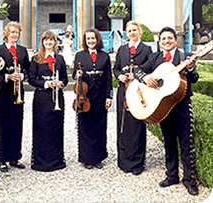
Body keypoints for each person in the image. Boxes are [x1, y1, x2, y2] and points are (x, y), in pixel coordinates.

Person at [134, 26, 199, 195]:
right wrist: (146, 77)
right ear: (160, 42)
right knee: (169, 142)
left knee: (186, 143)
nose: (167, 41)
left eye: (170, 38)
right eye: (163, 39)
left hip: (182, 105)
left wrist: (191, 68)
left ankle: (189, 180)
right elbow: (137, 70)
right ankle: (171, 175)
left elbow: (194, 78)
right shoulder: (155, 58)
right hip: (163, 107)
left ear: (175, 40)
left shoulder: (184, 57)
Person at [113, 21, 152, 175]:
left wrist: (137, 77)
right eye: (129, 31)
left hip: (139, 93)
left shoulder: (147, 49)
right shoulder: (122, 49)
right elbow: (115, 69)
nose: (132, 33)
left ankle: (137, 163)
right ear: (126, 33)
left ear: (139, 31)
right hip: (123, 92)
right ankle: (123, 162)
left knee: (137, 126)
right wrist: (120, 76)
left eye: (134, 30)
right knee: (122, 126)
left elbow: (151, 70)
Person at [0, 21, 30, 173]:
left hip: (18, 92)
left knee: (16, 124)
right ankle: (2, 158)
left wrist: (21, 75)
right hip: (3, 91)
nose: (15, 35)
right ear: (6, 34)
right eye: (12, 32)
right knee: (2, 125)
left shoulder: (22, 50)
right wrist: (8, 76)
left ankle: (15, 156)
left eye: (17, 32)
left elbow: (28, 70)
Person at [72, 28, 113, 169]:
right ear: (85, 41)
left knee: (100, 127)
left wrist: (109, 97)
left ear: (98, 40)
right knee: (85, 127)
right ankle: (86, 158)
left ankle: (98, 158)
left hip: (100, 96)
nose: (91, 41)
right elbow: (73, 75)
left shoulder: (104, 56)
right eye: (88, 39)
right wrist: (78, 74)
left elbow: (108, 78)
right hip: (85, 96)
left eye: (93, 38)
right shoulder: (79, 55)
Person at [28, 30, 68, 171]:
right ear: (42, 42)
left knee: (56, 128)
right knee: (42, 128)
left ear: (55, 42)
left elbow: (65, 79)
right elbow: (31, 79)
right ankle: (40, 161)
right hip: (42, 98)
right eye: (46, 40)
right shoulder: (35, 59)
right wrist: (46, 84)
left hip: (57, 98)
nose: (49, 42)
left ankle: (56, 160)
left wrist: (60, 84)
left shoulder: (60, 59)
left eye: (51, 40)